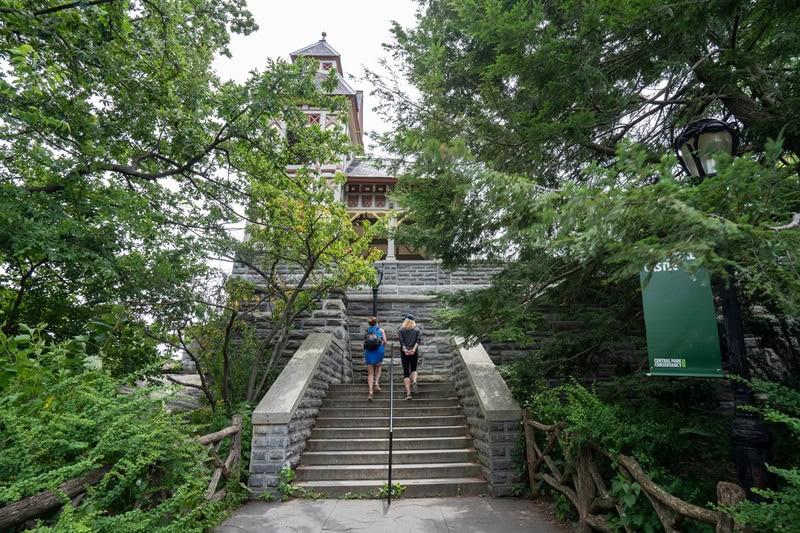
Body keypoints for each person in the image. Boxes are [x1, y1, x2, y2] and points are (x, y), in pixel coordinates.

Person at [398, 313, 422, 400]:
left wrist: (405, 350)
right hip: (414, 352)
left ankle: (408, 393)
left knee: (406, 372)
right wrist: (413, 350)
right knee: (414, 369)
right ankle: (414, 381)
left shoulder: (401, 329)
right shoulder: (416, 329)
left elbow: (402, 342)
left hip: (404, 353)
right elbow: (418, 341)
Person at [364, 316, 387, 401]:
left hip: (369, 351)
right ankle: (376, 383)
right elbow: (385, 341)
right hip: (379, 350)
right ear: (377, 322)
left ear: (369, 323)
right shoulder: (381, 330)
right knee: (378, 366)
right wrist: (383, 348)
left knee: (370, 373)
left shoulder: (367, 331)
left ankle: (370, 392)